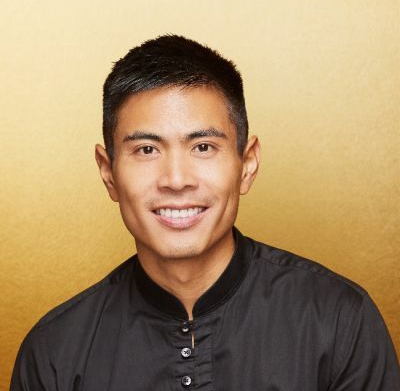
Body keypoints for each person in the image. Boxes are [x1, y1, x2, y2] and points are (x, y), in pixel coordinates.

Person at [11, 35, 399, 391]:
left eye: (203, 147)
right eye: (147, 149)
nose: (176, 180)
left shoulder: (337, 321)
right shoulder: (54, 352)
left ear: (247, 164)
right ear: (108, 172)